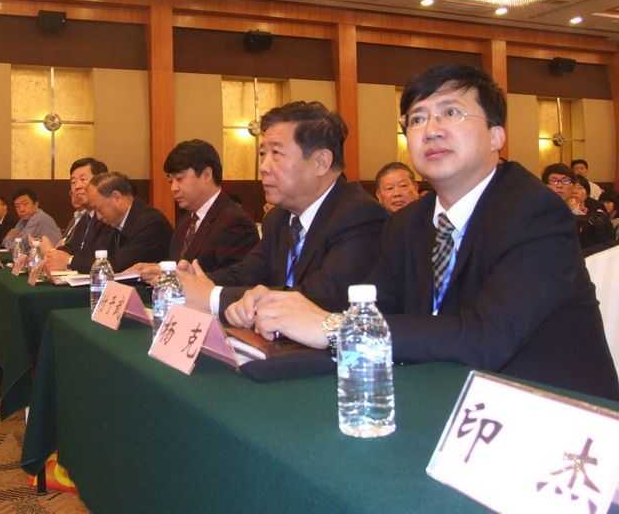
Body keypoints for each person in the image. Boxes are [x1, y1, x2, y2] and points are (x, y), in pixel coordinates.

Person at [246, 65, 618, 400]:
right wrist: (267, 348)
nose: (432, 130)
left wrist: (333, 327)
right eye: (417, 119)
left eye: (451, 113)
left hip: (553, 415)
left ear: (496, 136)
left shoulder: (534, 211)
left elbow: (484, 338)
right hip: (440, 398)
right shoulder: (407, 223)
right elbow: (378, 315)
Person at [177, 101, 387, 320]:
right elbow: (248, 273)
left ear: (321, 162)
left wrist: (213, 297)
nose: (263, 167)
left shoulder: (360, 216)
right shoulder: (278, 218)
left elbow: (322, 298)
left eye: (276, 153)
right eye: (262, 154)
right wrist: (193, 281)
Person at [129, 140, 259, 283]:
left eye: (179, 179)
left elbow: (237, 279)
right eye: (170, 181)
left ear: (207, 175)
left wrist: (179, 277)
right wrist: (158, 268)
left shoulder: (236, 222)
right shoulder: (185, 221)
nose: (173, 188)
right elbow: (179, 266)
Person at [87, 171, 172, 272]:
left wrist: (72, 261)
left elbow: (118, 265)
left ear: (116, 197)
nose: (98, 217)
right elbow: (95, 255)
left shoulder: (151, 222)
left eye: (98, 209)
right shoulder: (111, 222)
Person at [44, 158, 113, 272]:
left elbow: (107, 261)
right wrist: (52, 255)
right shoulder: (86, 216)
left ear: (101, 182)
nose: (77, 186)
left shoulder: (109, 216)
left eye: (83, 179)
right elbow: (70, 247)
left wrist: (69, 260)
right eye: (73, 182)